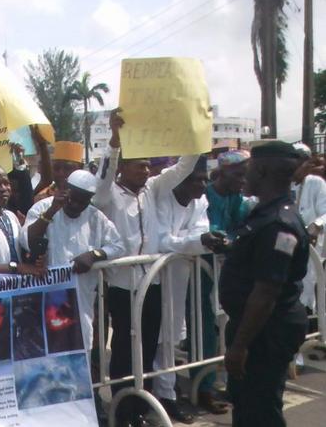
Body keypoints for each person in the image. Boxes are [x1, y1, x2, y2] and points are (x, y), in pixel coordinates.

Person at [92, 109, 200, 426]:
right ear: (123, 166)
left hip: (151, 283)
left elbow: (184, 167)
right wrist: (114, 140)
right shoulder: (109, 194)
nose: (146, 169)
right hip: (122, 286)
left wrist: (196, 132)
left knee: (149, 344)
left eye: (148, 165)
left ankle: (143, 406)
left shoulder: (153, 189)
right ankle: (123, 410)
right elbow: (103, 179)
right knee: (125, 349)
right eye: (139, 164)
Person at [219, 141, 309, 427]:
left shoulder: (278, 224)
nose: (245, 176)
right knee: (247, 406)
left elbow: (265, 293)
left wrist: (239, 347)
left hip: (265, 331)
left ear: (265, 171)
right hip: (257, 326)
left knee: (261, 410)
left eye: (250, 169)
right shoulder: (264, 214)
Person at [151, 157, 226, 424]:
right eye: (198, 179)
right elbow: (160, 240)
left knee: (169, 337)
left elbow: (198, 233)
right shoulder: (160, 198)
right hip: (153, 278)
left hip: (180, 277)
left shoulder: (200, 203)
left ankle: (167, 393)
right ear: (181, 178)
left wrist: (200, 241)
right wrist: (195, 242)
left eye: (206, 179)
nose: (203, 185)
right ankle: (158, 394)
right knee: (153, 338)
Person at [22, 169, 124, 350]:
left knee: (79, 352)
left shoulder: (95, 217)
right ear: (65, 190)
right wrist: (52, 210)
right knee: (45, 351)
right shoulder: (43, 207)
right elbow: (27, 240)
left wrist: (94, 255)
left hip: (80, 299)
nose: (76, 205)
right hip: (46, 296)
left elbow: (118, 246)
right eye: (72, 198)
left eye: (82, 201)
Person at [194, 148, 252, 414]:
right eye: (239, 174)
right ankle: (203, 388)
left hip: (228, 273)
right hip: (201, 272)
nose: (243, 179)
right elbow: (206, 230)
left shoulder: (239, 199)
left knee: (230, 328)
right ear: (224, 172)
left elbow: (242, 228)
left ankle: (229, 383)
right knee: (204, 330)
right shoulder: (205, 196)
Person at [290, 143, 326, 311]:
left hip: (310, 246)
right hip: (287, 245)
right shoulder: (282, 182)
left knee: (308, 284)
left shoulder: (315, 183)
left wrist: (316, 225)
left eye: (302, 161)